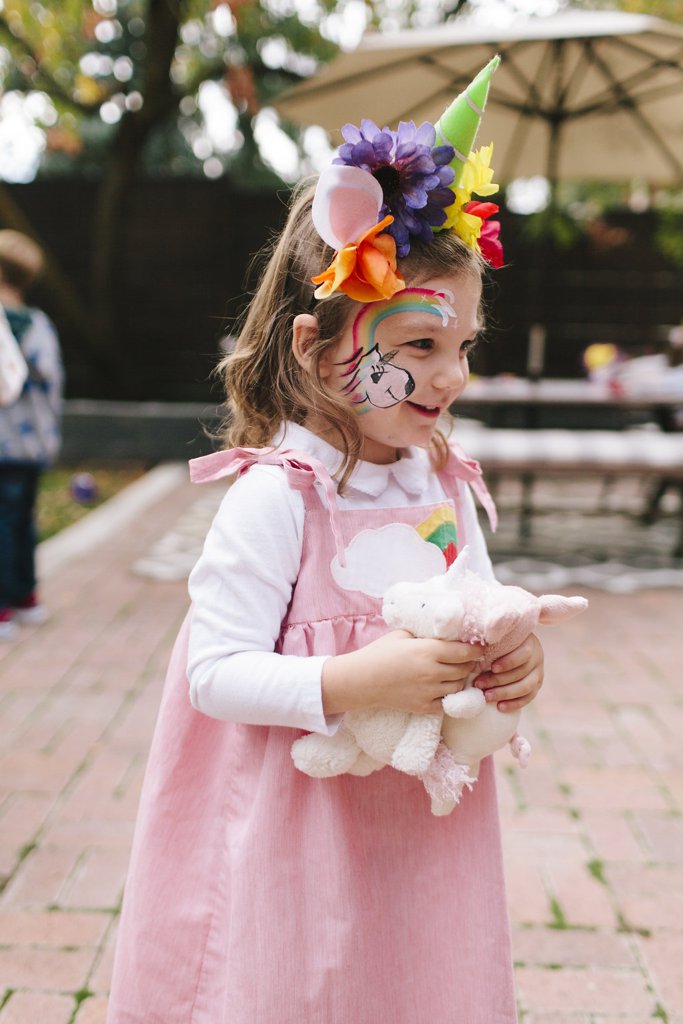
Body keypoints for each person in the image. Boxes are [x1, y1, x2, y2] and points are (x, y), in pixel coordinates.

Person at [107, 57, 544, 1024]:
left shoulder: (441, 481)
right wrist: (355, 683)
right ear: (314, 347)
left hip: (417, 829)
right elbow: (212, 675)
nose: (450, 375)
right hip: (291, 830)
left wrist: (512, 654)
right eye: (419, 345)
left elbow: (472, 599)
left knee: (412, 975)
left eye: (464, 345)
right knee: (297, 983)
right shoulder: (277, 499)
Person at [0, 230, 63, 641]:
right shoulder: (39, 325)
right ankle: (26, 597)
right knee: (21, 520)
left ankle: (3, 606)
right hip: (32, 443)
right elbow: (54, 381)